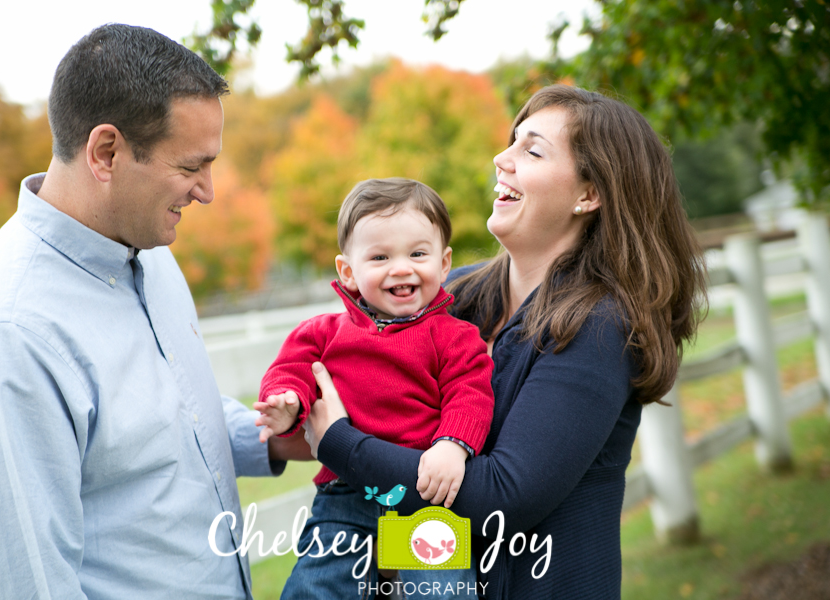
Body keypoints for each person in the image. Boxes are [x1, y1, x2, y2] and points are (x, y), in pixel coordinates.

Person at [0, 24, 298, 600]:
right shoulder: (6, 334)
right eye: (190, 166)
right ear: (106, 152)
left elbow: (169, 423)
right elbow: (23, 584)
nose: (208, 191)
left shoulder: (149, 254)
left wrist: (281, 437)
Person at [302, 84, 707, 599]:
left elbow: (499, 499)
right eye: (511, 142)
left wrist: (339, 444)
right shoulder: (453, 295)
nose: (501, 158)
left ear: (589, 194)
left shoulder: (599, 326)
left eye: (531, 150)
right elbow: (382, 413)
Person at [255, 178, 495, 598]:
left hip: (423, 493)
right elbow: (292, 368)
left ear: (443, 263)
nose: (401, 268)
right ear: (348, 272)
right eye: (380, 256)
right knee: (316, 587)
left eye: (418, 254)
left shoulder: (454, 337)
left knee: (441, 592)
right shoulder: (324, 332)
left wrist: (452, 445)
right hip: (345, 492)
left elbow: (470, 393)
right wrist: (287, 401)